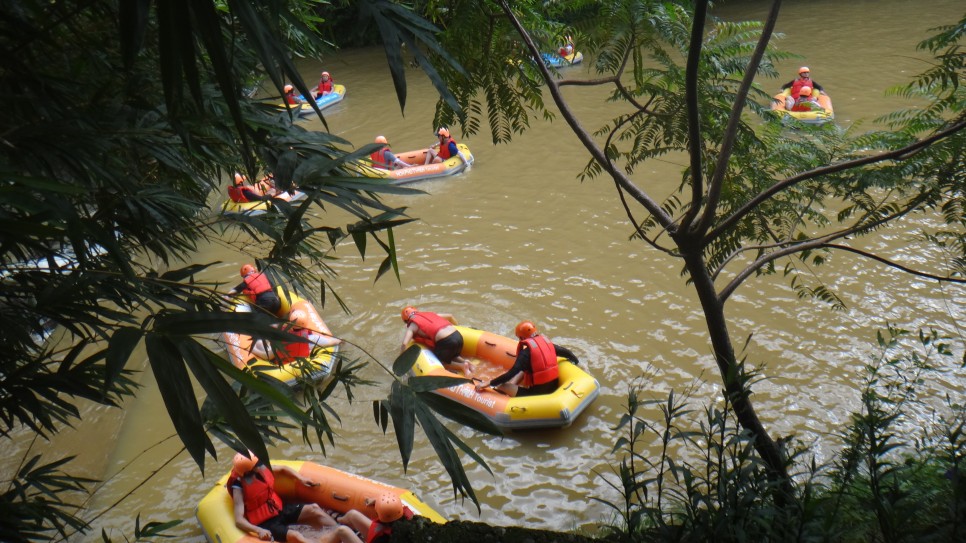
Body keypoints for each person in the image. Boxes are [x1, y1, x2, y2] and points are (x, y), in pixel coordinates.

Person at [228, 451, 338, 543]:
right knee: (295, 536)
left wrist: (300, 478)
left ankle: (339, 532)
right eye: (256, 466)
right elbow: (239, 520)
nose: (259, 466)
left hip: (279, 508)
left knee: (314, 509)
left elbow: (283, 469)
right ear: (249, 471)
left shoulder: (260, 468)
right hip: (266, 523)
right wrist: (258, 530)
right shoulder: (238, 487)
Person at [474, 320, 579, 397]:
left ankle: (509, 389)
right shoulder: (548, 344)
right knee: (525, 369)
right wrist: (576, 362)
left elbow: (510, 374)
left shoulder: (526, 354)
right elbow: (569, 353)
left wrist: (488, 383)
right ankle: (513, 384)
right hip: (553, 388)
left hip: (536, 394)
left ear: (522, 338)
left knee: (501, 385)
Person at [400, 306, 473, 377]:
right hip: (458, 336)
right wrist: (458, 326)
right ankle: (465, 362)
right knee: (452, 354)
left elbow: (404, 344)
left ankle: (462, 366)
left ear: (406, 321)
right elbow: (450, 316)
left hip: (446, 341)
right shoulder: (430, 314)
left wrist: (402, 358)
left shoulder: (412, 325)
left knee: (440, 362)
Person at [249, 308, 341, 364]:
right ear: (305, 323)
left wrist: (253, 349)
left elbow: (267, 355)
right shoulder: (311, 339)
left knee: (260, 343)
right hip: (301, 364)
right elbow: (331, 341)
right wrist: (340, 341)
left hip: (283, 365)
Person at [331, 493, 414, 543]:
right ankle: (338, 520)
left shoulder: (382, 538)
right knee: (353, 514)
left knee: (342, 531)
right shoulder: (410, 520)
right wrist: (377, 501)